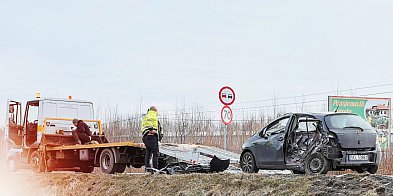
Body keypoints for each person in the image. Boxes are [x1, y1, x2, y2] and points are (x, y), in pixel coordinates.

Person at [141, 106, 160, 172]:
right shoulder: (153, 116)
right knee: (155, 153)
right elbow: (151, 126)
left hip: (145, 137)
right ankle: (156, 169)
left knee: (148, 152)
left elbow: (145, 126)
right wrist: (152, 131)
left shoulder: (145, 117)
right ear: (155, 111)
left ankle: (148, 168)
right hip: (151, 136)